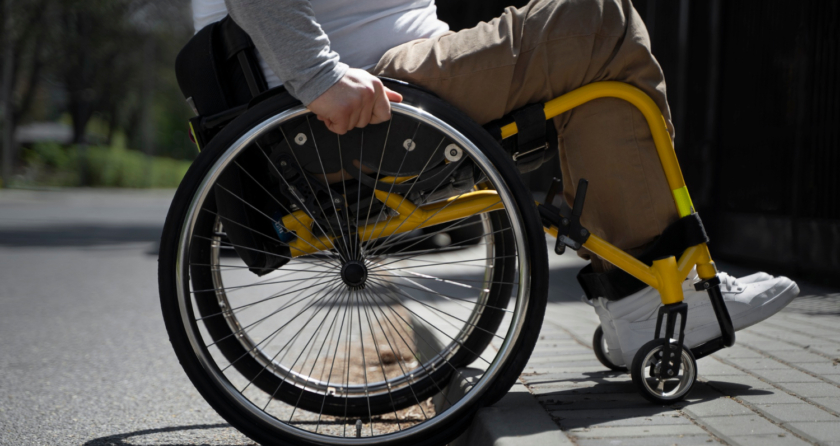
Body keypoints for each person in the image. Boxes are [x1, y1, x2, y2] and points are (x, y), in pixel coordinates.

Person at [191, 0, 799, 367]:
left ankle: (644, 296)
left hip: (399, 73)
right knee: (600, 19)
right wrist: (320, 78)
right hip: (366, 93)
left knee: (601, 76)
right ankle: (652, 292)